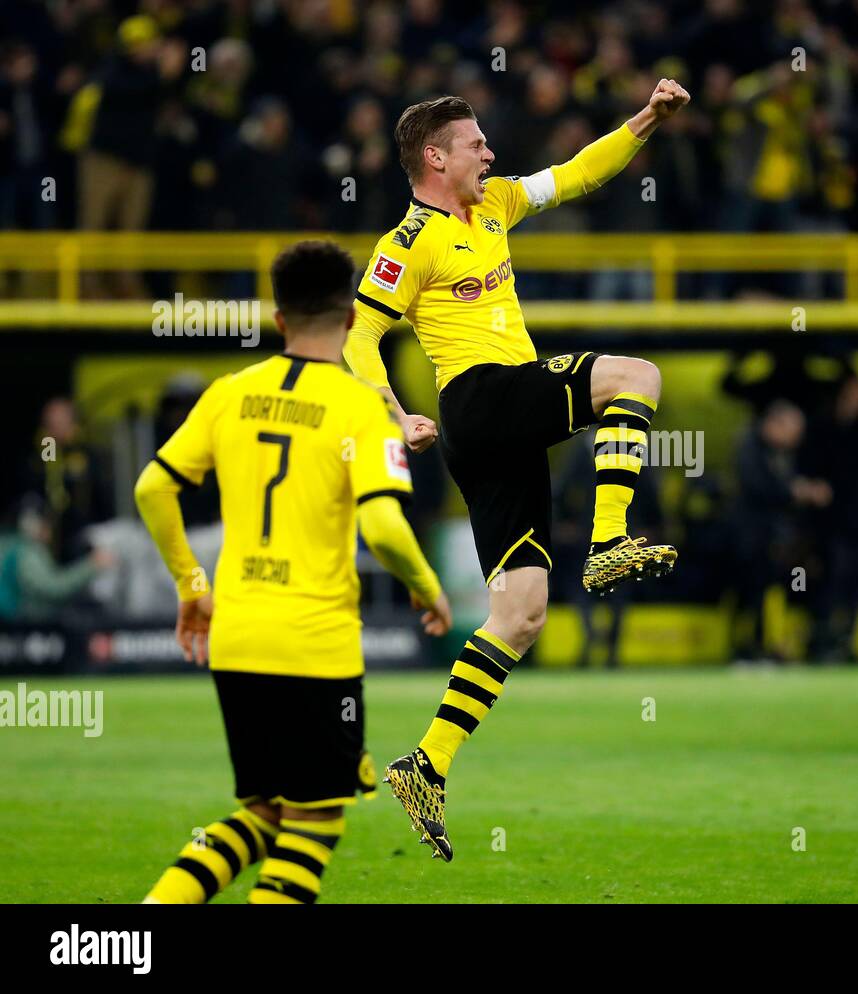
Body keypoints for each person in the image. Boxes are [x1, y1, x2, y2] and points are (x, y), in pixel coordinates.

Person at [344, 80, 689, 860]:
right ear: (435, 158)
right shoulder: (408, 241)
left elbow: (577, 174)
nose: (490, 153)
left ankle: (425, 765)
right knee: (637, 379)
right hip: (478, 398)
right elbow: (359, 337)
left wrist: (645, 120)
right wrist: (395, 413)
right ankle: (608, 538)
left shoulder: (495, 201)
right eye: (475, 145)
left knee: (522, 615)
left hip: (493, 430)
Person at [134, 240, 452, 904]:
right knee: (314, 821)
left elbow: (152, 489)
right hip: (313, 644)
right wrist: (428, 588)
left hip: (237, 636)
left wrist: (193, 584)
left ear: (279, 320)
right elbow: (386, 528)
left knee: (265, 812)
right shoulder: (360, 407)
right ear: (348, 320)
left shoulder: (229, 394)